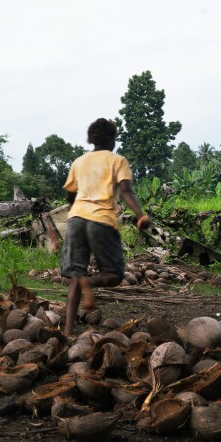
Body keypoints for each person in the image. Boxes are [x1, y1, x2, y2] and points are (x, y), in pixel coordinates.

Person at [61, 118, 150, 336]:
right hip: (101, 220)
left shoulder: (79, 162)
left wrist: (78, 215)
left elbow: (70, 195)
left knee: (76, 275)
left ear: (91, 138)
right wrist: (141, 215)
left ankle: (67, 330)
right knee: (114, 274)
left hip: (76, 220)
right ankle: (89, 283)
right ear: (111, 139)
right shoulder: (117, 161)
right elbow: (126, 191)